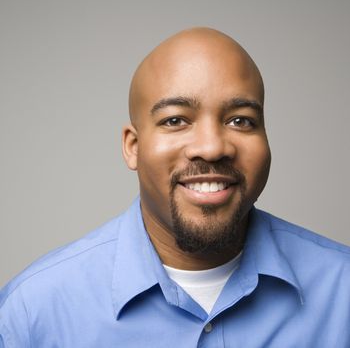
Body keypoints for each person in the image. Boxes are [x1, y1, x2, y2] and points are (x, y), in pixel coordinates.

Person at [0, 28, 349, 347]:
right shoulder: (33, 312)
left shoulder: (342, 292)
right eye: (175, 120)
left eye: (240, 120)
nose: (212, 148)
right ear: (133, 147)